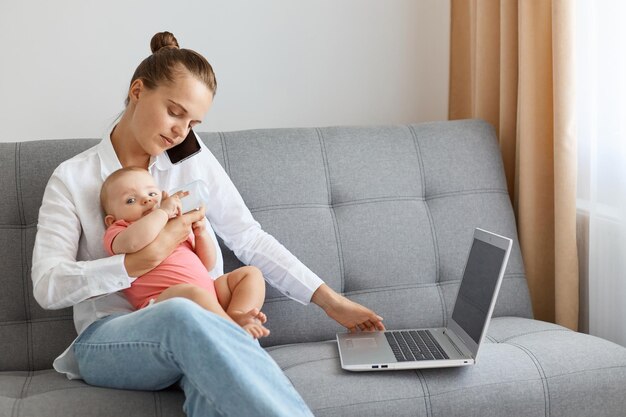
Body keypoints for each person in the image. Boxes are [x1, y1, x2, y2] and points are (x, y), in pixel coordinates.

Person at [31, 31, 385, 417]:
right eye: (174, 111)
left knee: (216, 391)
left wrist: (330, 302)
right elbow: (48, 285)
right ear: (137, 91)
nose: (180, 131)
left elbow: (248, 237)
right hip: (111, 337)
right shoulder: (73, 178)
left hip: (206, 328)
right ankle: (231, 337)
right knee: (185, 314)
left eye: (193, 121)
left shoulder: (189, 160)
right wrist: (139, 261)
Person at [101, 166, 270, 339]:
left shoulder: (175, 225)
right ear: (111, 220)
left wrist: (201, 234)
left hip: (209, 296)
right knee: (190, 292)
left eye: (152, 194)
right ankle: (232, 331)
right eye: (130, 200)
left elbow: (207, 264)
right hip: (165, 304)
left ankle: (236, 314)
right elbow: (134, 242)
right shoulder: (121, 230)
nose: (146, 200)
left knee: (251, 274)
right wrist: (162, 212)